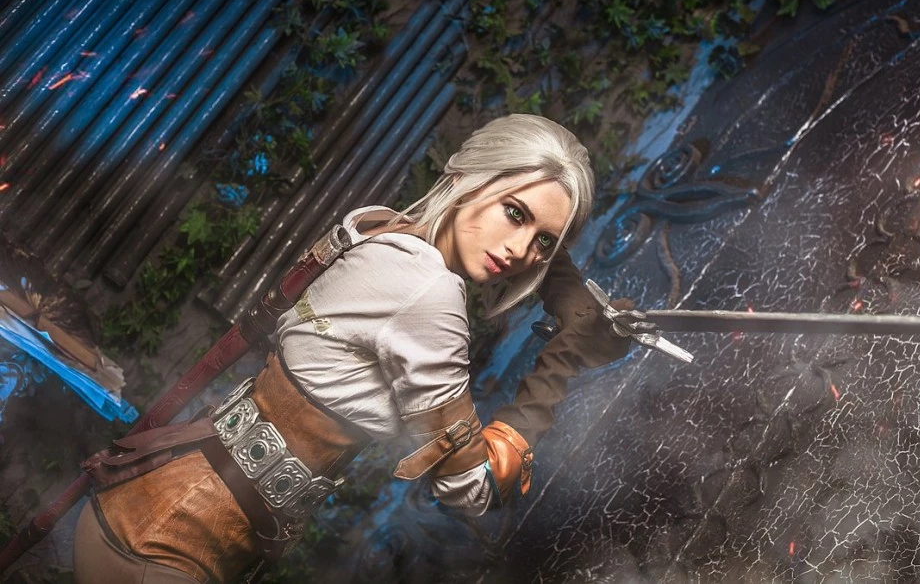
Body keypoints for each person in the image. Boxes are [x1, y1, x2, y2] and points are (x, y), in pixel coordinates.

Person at [72, 114, 633, 583]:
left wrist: (563, 284)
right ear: (469, 176)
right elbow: (471, 488)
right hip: (164, 543)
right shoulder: (431, 295)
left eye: (543, 242)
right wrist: (564, 358)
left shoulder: (380, 229)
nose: (518, 250)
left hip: (153, 510)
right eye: (514, 213)